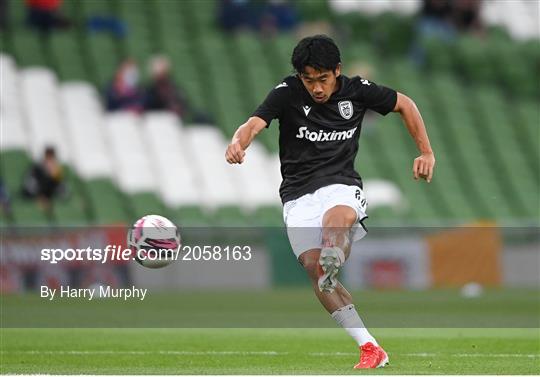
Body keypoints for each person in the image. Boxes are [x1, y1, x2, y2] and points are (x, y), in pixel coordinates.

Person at [225, 35, 435, 369]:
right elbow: (254, 122)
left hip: (341, 184)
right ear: (300, 77)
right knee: (314, 268)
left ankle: (334, 255)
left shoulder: (357, 90)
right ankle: (370, 347)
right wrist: (239, 142)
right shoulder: (287, 92)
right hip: (297, 194)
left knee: (335, 227)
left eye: (323, 79)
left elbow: (405, 104)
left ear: (337, 71)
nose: (317, 88)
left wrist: (425, 151)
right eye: (309, 80)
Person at [21, 146, 67, 211]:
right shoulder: (36, 169)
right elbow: (29, 187)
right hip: (34, 195)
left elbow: (62, 188)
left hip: (49, 196)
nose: (51, 161)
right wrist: (39, 197)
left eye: (52, 158)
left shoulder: (57, 171)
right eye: (48, 158)